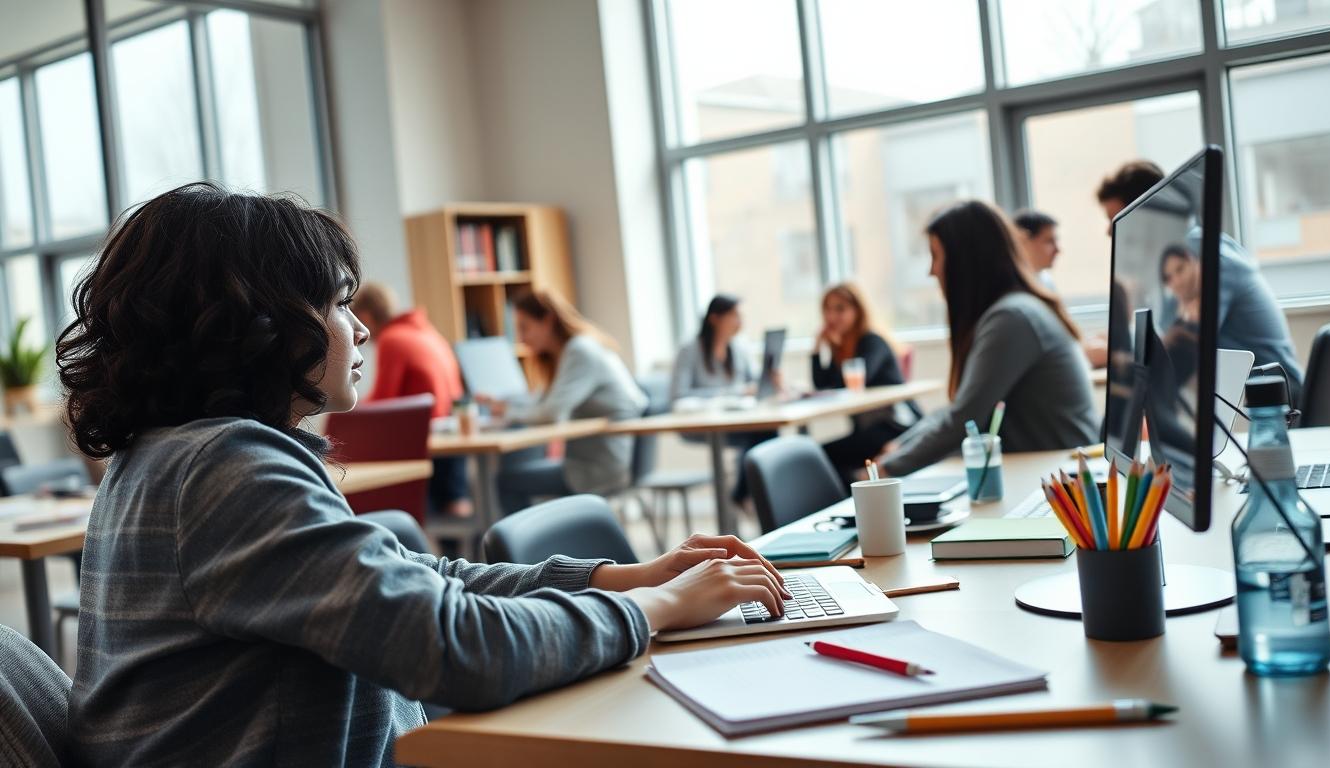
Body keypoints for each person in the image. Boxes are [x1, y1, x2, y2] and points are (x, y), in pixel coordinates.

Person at [55, 183, 789, 766]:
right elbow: (453, 647)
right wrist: (658, 610)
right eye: (340, 304)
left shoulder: (173, 457)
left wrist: (620, 581)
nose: (363, 326)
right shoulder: (223, 471)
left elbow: (414, 578)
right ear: (259, 326)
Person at [879, 200, 1098, 477]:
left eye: (936, 255)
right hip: (1045, 470)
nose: (931, 270)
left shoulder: (1011, 319)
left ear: (963, 260)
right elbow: (959, 411)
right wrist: (899, 447)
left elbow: (963, 419)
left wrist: (887, 469)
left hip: (1056, 478)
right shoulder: (1014, 311)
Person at [1097, 160, 1304, 403]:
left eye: (1116, 219)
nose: (1110, 233)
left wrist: (1118, 357)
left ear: (1147, 215)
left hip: (1272, 407)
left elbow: (1179, 352)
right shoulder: (1169, 262)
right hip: (1235, 401)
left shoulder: (1197, 253)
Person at [476, 290, 650, 513]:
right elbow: (542, 403)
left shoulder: (579, 352)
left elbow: (550, 413)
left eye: (524, 327)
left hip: (597, 469)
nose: (520, 338)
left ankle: (519, 547)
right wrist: (504, 406)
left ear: (548, 320)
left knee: (507, 481)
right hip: (599, 462)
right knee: (515, 476)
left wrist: (508, 412)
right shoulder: (574, 350)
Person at [350, 282, 472, 518]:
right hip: (449, 432)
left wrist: (348, 415)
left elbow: (383, 400)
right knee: (455, 509)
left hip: (424, 438)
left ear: (364, 316)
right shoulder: (426, 331)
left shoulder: (391, 339)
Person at [670, 294, 775, 505]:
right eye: (734, 315)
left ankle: (744, 495)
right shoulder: (690, 350)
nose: (739, 322)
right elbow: (679, 395)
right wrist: (729, 393)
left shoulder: (738, 348)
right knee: (759, 435)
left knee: (768, 431)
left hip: (736, 421)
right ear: (715, 318)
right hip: (700, 425)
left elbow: (753, 382)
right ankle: (742, 496)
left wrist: (770, 380)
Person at [811, 282, 919, 484]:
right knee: (818, 455)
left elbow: (852, 384)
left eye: (840, 309)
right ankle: (855, 491)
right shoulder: (842, 347)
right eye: (828, 310)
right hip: (870, 429)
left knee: (819, 456)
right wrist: (818, 348)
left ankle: (854, 491)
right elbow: (822, 385)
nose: (832, 316)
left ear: (857, 310)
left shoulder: (872, 341)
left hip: (895, 426)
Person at [1013, 209, 1060, 289]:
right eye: (1049, 241)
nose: (1057, 250)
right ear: (1024, 240)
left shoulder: (1046, 281)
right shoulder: (1011, 286)